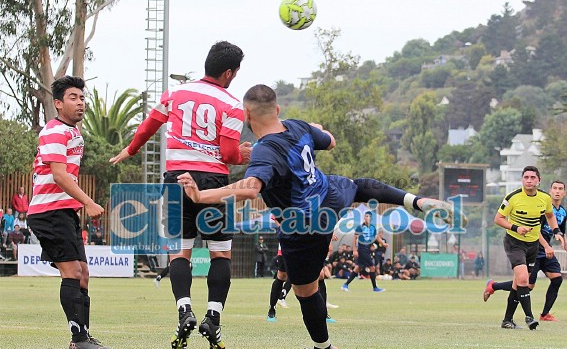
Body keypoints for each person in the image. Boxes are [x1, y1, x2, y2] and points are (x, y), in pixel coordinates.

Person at [176, 84, 465, 349]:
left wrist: (201, 196)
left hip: (302, 224)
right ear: (277, 110)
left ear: (246, 115)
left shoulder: (264, 151)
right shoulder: (297, 127)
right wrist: (312, 128)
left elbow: (251, 189)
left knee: (305, 291)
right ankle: (417, 200)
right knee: (360, 185)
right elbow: (330, 141)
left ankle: (324, 347)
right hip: (330, 196)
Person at [109, 41, 250, 349]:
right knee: (220, 253)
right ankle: (212, 318)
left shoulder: (175, 93)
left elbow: (149, 125)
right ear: (229, 72)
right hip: (213, 182)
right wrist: (243, 156)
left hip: (175, 179)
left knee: (179, 252)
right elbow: (227, 152)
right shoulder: (232, 103)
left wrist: (130, 150)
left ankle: (184, 309)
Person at [26, 76, 108, 349]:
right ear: (59, 104)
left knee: (83, 272)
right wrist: (88, 202)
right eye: (73, 98)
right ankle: (78, 339)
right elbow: (59, 176)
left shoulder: (73, 133)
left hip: (63, 211)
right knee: (72, 271)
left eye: (82, 98)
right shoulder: (53, 131)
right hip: (49, 211)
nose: (80, 103)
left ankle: (82, 338)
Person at [483, 180, 567, 322]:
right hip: (535, 247)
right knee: (526, 285)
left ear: (564, 192)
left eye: (560, 189)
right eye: (554, 188)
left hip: (546, 251)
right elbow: (535, 230)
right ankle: (494, 287)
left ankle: (544, 314)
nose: (557, 191)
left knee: (557, 279)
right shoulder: (541, 207)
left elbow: (561, 232)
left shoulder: (562, 212)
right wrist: (546, 246)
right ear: (550, 191)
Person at [341, 212, 388, 292]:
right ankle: (375, 287)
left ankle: (345, 285)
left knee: (358, 267)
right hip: (362, 249)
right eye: (366, 216)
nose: (367, 217)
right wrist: (355, 250)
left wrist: (383, 243)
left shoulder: (372, 227)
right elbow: (355, 238)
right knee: (372, 266)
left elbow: (376, 237)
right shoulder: (360, 227)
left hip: (367, 249)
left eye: (369, 216)